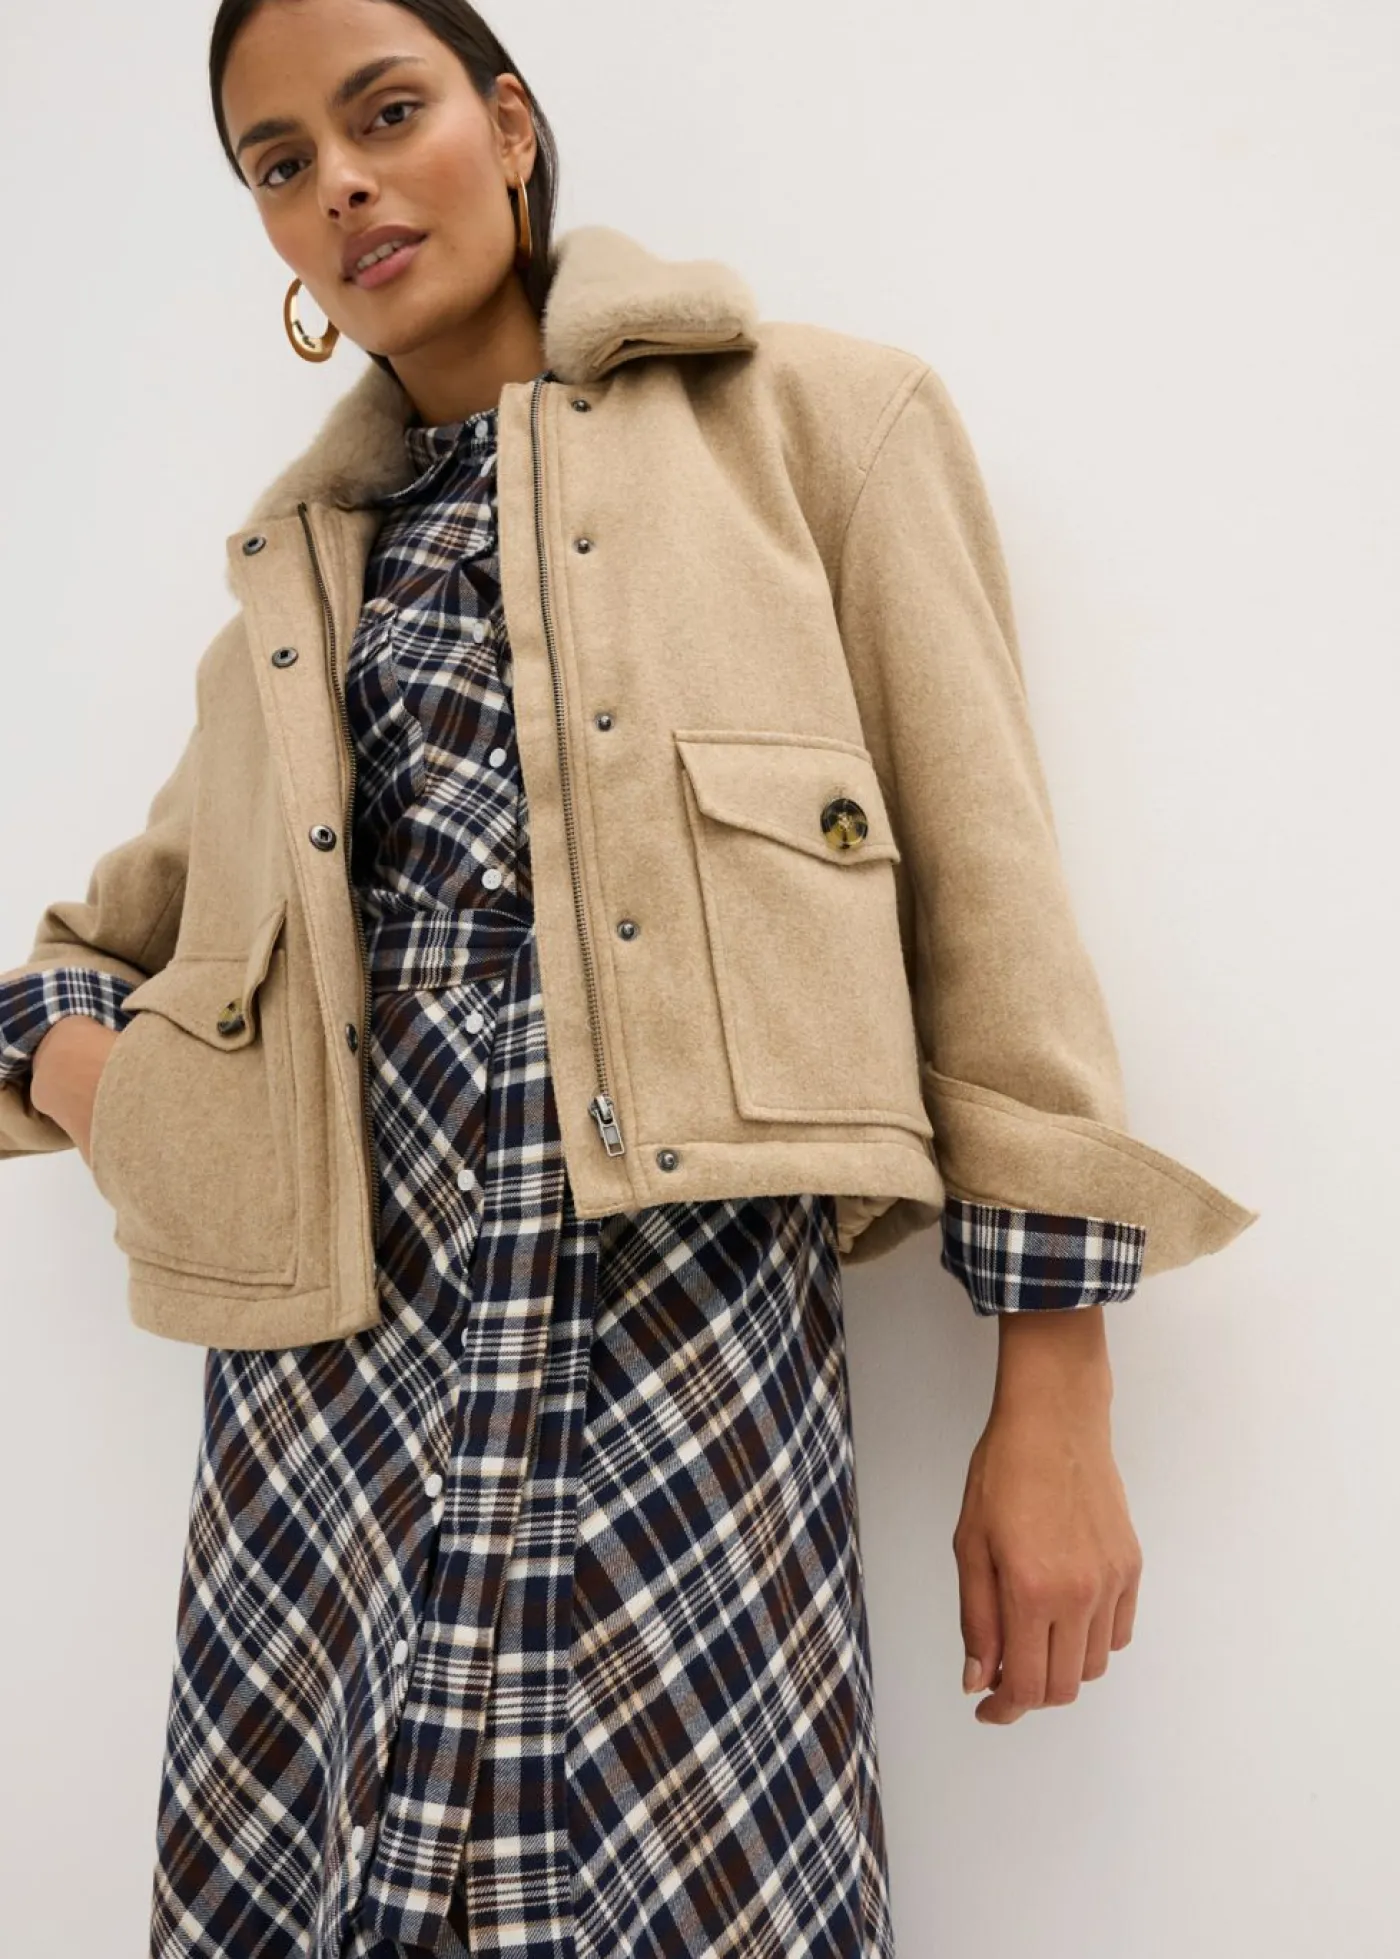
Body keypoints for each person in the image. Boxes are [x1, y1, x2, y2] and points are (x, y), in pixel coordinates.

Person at [0, 1, 1259, 1953]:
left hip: (681, 1370)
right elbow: (80, 961)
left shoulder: (816, 425)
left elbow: (995, 927)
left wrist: (1057, 1390)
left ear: (507, 126)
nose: (341, 186)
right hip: (322, 1416)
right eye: (280, 162)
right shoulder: (294, 587)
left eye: (386, 113)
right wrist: (115, 1094)